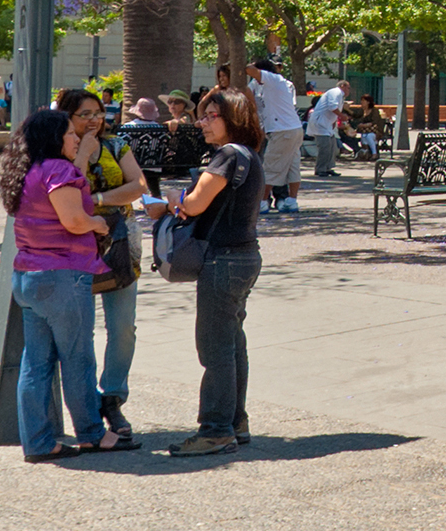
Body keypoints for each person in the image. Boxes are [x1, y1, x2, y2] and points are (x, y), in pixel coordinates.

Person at [0, 108, 127, 462]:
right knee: (77, 358)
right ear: (55, 138)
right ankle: (92, 434)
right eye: (71, 133)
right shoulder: (59, 170)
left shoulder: (26, 171)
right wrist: (99, 226)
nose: (77, 139)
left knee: (36, 363)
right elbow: (73, 220)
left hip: (28, 277)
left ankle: (39, 442)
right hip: (63, 276)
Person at [160, 87, 264, 457]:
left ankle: (216, 429)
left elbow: (194, 204)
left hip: (223, 259)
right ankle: (236, 421)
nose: (201, 122)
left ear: (232, 118)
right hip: (245, 256)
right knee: (233, 343)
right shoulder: (249, 154)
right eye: (202, 115)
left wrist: (174, 201)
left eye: (210, 116)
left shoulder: (225, 156)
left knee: (215, 347)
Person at [58, 88, 147, 447]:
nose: (94, 119)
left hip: (120, 240)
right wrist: (81, 155)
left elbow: (137, 186)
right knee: (82, 330)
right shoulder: (58, 150)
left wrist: (97, 199)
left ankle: (113, 397)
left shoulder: (116, 145)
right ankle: (85, 405)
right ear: (68, 117)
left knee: (123, 326)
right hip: (75, 246)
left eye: (98, 112)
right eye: (84, 114)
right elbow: (66, 192)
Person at [250, 55, 303, 214]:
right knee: (293, 164)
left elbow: (249, 70)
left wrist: (240, 64)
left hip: (281, 129)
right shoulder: (264, 84)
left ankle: (263, 201)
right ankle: (291, 201)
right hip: (292, 128)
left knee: (270, 166)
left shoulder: (273, 80)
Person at [305, 78, 347, 183]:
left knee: (332, 146)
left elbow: (332, 109)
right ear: (342, 86)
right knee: (325, 147)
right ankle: (320, 169)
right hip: (320, 123)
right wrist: (342, 116)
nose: (349, 90)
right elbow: (332, 107)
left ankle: (328, 167)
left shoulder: (339, 95)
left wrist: (334, 120)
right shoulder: (335, 92)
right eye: (348, 87)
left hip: (327, 124)